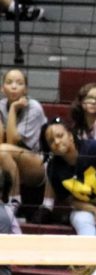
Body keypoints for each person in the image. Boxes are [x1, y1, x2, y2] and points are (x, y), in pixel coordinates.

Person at [42, 118, 96, 236]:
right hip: (88, 208)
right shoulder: (54, 168)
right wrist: (95, 210)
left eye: (60, 136)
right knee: (82, 221)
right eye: (51, 141)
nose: (57, 142)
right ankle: (93, 253)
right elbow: (71, 201)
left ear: (70, 135)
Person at [0, 68, 48, 211]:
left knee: (3, 151)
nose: (14, 86)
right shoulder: (1, 105)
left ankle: (14, 201)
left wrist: (14, 109)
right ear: (2, 88)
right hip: (6, 157)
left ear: (26, 90)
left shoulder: (34, 108)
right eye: (9, 82)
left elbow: (12, 142)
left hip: (37, 163)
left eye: (19, 83)